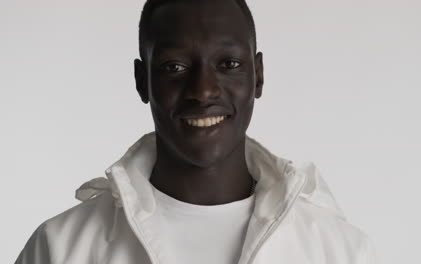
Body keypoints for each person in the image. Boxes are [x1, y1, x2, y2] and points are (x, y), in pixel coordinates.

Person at [15, 0, 376, 263]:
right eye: (174, 66)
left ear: (258, 75)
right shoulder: (61, 248)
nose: (202, 91)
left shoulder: (340, 251)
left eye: (229, 64)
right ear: (142, 82)